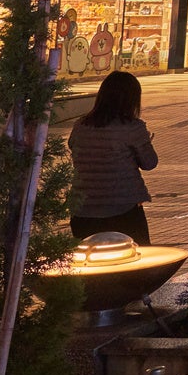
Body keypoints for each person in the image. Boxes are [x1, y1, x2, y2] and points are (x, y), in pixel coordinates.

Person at [68, 70, 158, 244]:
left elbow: (75, 150)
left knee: (90, 263)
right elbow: (149, 162)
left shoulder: (80, 126)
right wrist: (145, 142)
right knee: (137, 262)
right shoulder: (133, 127)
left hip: (83, 210)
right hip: (124, 209)